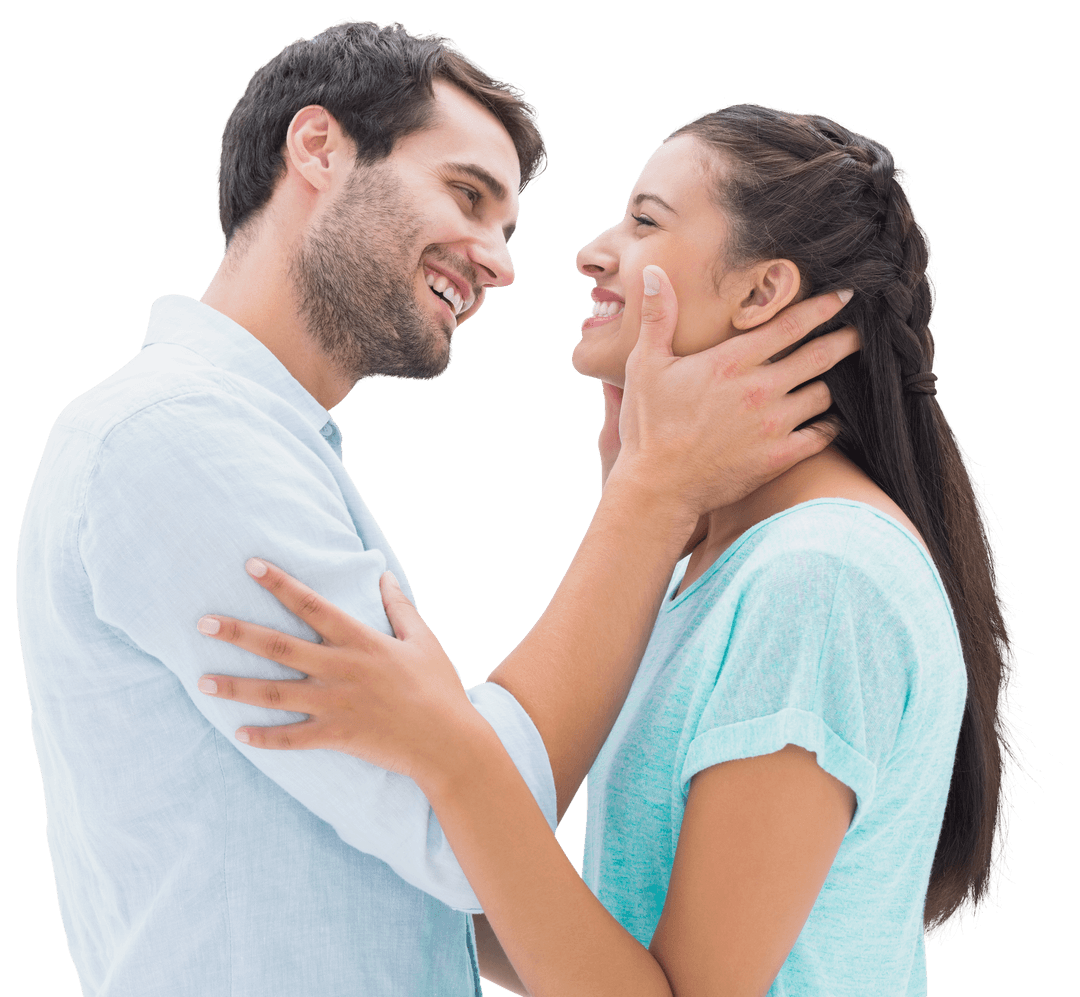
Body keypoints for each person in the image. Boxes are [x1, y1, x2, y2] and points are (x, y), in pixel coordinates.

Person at [15, 21, 857, 997]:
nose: (501, 262)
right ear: (318, 148)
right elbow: (455, 827)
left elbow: (415, 864)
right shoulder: (176, 441)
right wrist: (652, 495)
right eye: (467, 194)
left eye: (507, 226)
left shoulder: (258, 446)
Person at [196, 104, 1024, 997]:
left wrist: (452, 754)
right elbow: (603, 950)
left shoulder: (819, 578)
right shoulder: (722, 566)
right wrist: (334, 837)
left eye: (644, 221)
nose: (592, 252)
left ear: (760, 294)